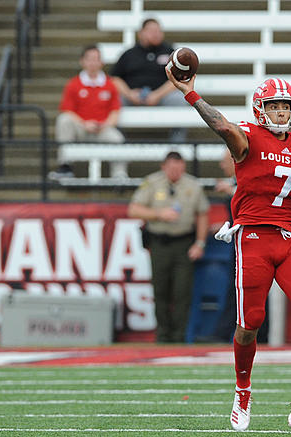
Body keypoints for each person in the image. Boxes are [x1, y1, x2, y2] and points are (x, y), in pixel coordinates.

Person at [165, 66, 291, 432]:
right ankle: (243, 391)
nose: (281, 113)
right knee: (249, 325)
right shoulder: (248, 137)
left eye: (286, 107)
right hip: (254, 239)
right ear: (261, 109)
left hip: (290, 239)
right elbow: (223, 127)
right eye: (274, 106)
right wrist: (191, 94)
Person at [128, 151, 210, 343]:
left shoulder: (192, 185)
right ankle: (163, 335)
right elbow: (133, 209)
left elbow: (203, 214)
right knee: (161, 290)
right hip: (160, 243)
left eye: (179, 167)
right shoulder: (152, 182)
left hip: (184, 243)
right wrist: (158, 214)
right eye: (172, 167)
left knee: (182, 292)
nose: (175, 172)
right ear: (163, 166)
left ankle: (179, 336)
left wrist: (200, 243)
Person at [52, 45, 127, 179]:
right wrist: (85, 124)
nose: (93, 63)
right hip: (81, 128)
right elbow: (67, 111)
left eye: (96, 59)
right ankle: (65, 166)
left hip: (102, 129)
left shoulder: (110, 84)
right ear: (82, 61)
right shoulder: (73, 84)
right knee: (63, 120)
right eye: (89, 59)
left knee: (117, 138)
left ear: (101, 62)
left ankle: (119, 175)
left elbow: (115, 111)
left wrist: (105, 125)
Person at [110, 18, 185, 141]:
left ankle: (177, 145)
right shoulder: (129, 54)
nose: (156, 33)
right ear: (141, 33)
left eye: (158, 30)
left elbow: (180, 79)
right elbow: (115, 78)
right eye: (151, 30)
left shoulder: (171, 52)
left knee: (179, 100)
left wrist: (157, 95)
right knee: (115, 100)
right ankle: (120, 142)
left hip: (162, 96)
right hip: (133, 96)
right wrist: (129, 94)